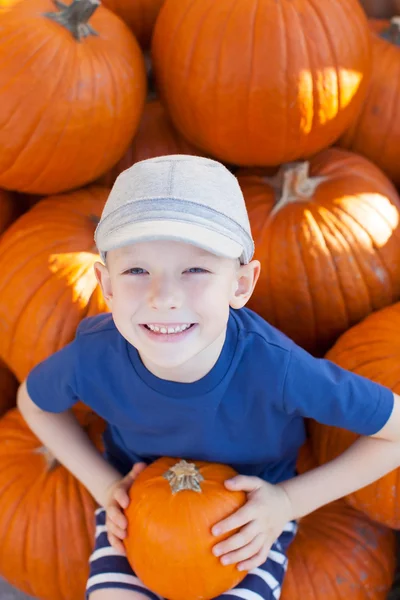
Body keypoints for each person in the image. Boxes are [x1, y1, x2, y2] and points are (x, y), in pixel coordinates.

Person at [17, 155, 400, 600]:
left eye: (195, 269)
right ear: (107, 284)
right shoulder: (96, 355)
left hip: (246, 523)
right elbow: (34, 402)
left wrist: (289, 503)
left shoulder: (274, 367)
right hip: (139, 509)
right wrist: (104, 485)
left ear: (240, 284)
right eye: (137, 270)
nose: (164, 297)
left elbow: (394, 432)